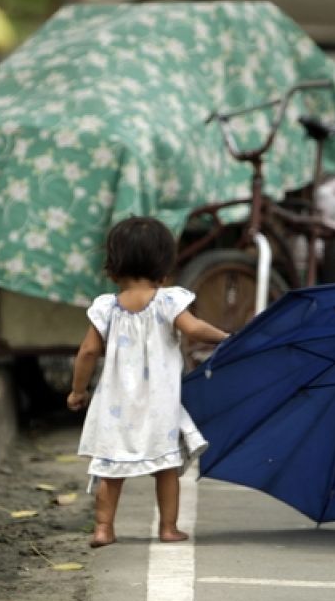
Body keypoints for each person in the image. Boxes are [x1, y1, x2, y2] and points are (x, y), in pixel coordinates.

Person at [67, 217, 228, 548]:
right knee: (167, 469)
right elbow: (196, 330)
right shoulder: (168, 302)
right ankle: (168, 528)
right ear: (165, 267)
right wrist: (228, 337)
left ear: (112, 269)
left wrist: (77, 390)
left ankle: (103, 528)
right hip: (160, 406)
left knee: (110, 472)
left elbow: (87, 352)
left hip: (115, 406)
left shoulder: (106, 308)